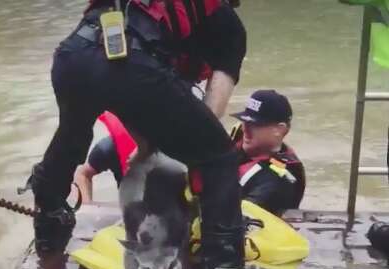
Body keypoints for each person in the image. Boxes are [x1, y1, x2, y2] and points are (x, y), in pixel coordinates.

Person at [28, 0, 248, 269]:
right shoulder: (228, 26)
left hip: (72, 57)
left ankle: (49, 234)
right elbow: (209, 115)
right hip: (130, 69)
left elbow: (117, 64)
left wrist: (145, 147)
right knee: (219, 158)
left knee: (72, 135)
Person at [76, 91, 305, 216]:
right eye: (245, 122)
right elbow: (82, 173)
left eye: (255, 124)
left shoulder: (276, 181)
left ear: (279, 131)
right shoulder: (112, 146)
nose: (245, 129)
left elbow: (238, 220)